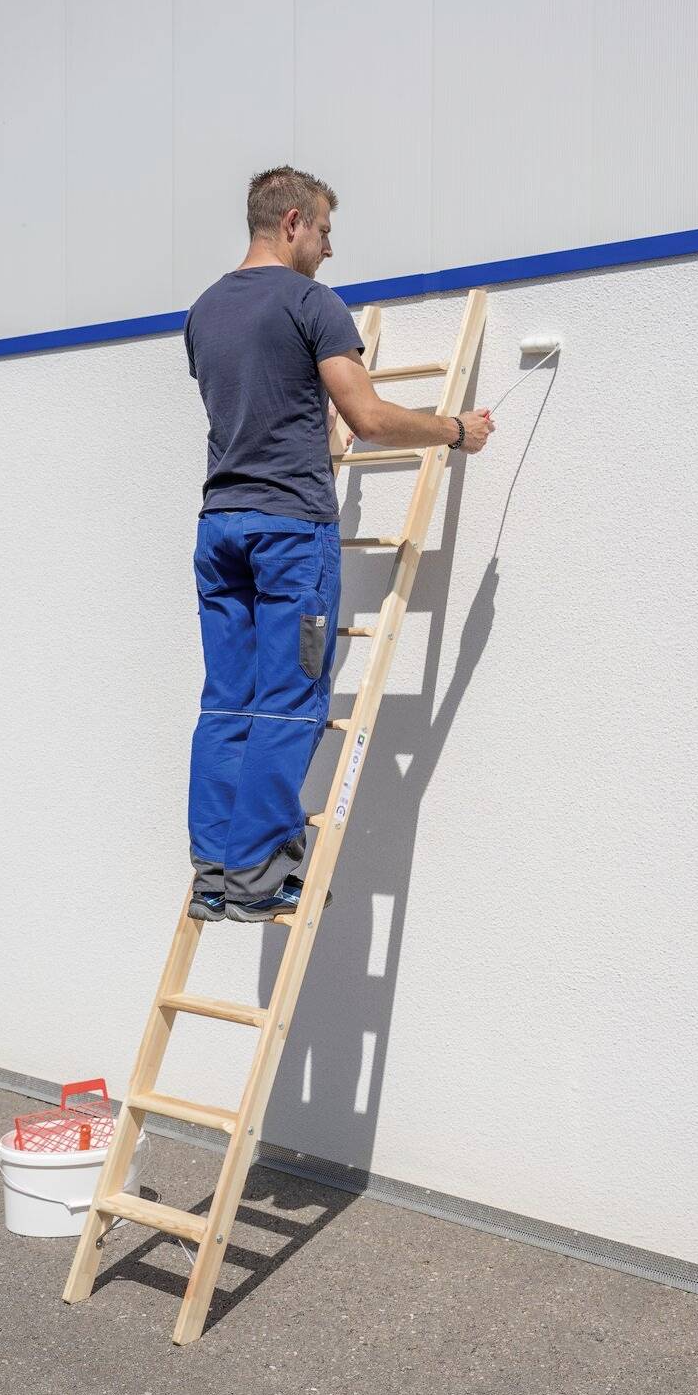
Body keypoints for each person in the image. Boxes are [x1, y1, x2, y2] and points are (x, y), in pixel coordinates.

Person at [183, 165, 494, 923]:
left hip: (220, 527)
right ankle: (260, 882)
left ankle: (215, 876)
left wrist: (307, 430)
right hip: (288, 531)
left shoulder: (204, 312)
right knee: (290, 701)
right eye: (323, 231)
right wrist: (456, 432)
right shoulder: (310, 302)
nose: (329, 248)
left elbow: (256, 407)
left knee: (229, 703)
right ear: (292, 222)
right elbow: (370, 418)